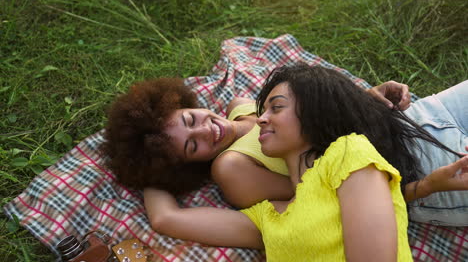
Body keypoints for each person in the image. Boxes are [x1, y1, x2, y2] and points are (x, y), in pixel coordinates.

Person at [143, 63, 465, 261]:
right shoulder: (266, 209)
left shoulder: (344, 153)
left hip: (418, 120)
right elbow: (165, 219)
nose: (262, 121)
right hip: (432, 163)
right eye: (192, 145)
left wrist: (365, 102)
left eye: (274, 108)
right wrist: (150, 168)